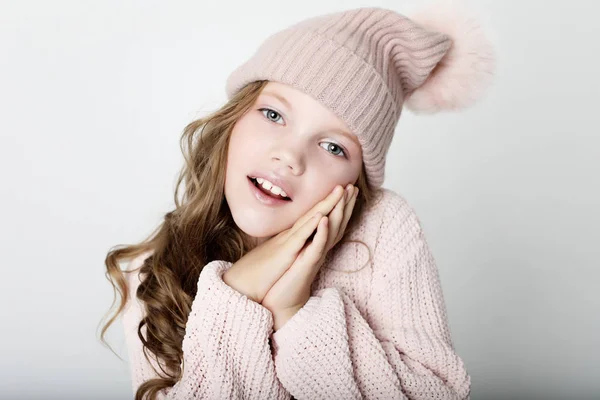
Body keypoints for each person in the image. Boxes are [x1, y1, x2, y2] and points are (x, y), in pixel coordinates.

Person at [99, 4, 495, 400]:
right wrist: (235, 294)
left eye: (332, 146)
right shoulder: (153, 271)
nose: (290, 156)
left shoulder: (384, 228)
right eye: (273, 114)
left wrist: (295, 313)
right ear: (231, 122)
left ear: (355, 183)